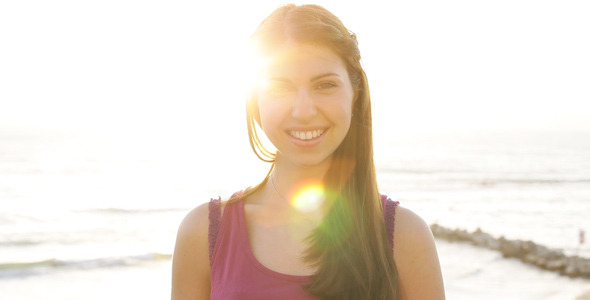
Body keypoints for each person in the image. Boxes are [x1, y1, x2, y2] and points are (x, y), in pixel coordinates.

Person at [172, 4, 445, 300]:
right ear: (255, 101)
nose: (303, 111)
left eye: (325, 85)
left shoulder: (404, 236)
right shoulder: (204, 233)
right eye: (280, 87)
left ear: (355, 94)